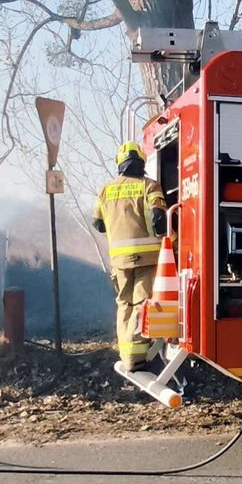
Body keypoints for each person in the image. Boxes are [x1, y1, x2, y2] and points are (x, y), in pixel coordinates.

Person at [92, 141, 168, 372]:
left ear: (120, 165)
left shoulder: (106, 190)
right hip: (147, 259)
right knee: (141, 305)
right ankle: (135, 358)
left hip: (119, 262)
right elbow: (159, 219)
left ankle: (126, 353)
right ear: (141, 162)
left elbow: (98, 224)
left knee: (124, 305)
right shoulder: (150, 186)